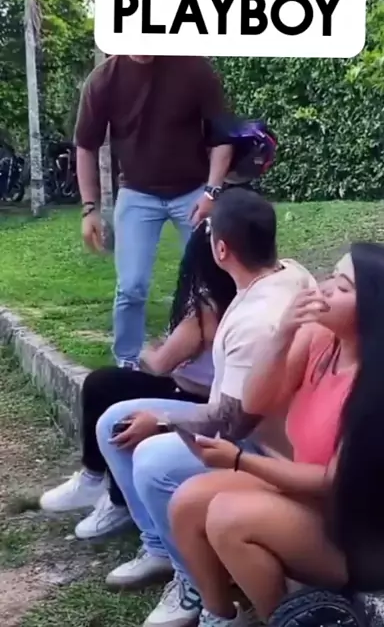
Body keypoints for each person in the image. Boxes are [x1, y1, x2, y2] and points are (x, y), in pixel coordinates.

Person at [168, 243, 384, 627]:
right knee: (188, 502)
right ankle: (222, 616)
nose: (324, 288)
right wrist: (283, 333)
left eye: (343, 288)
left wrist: (240, 460)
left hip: (362, 537)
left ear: (375, 312)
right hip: (313, 502)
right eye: (332, 276)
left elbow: (333, 482)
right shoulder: (321, 340)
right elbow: (255, 400)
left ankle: (291, 620)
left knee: (229, 518)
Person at [94, 188, 316, 626]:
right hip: (241, 427)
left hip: (261, 449)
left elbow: (232, 423)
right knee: (112, 422)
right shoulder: (288, 271)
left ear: (221, 249)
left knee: (151, 460)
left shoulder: (257, 320)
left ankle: (193, 579)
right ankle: (160, 547)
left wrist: (161, 420)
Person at [39, 221, 237, 539]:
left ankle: (118, 501)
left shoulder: (207, 307)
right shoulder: (235, 296)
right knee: (104, 384)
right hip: (198, 392)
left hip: (197, 399)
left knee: (112, 398)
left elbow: (159, 364)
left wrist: (149, 350)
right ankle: (94, 478)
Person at [75, 54, 233, 367]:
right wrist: (89, 208)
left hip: (193, 191)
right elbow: (85, 146)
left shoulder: (193, 67)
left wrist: (212, 191)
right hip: (137, 193)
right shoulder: (104, 79)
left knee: (212, 279)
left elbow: (223, 136)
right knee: (131, 285)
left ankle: (215, 359)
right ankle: (127, 363)